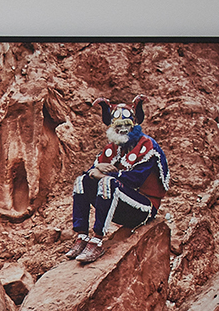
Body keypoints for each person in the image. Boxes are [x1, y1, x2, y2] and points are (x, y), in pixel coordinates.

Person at [66, 96, 170, 264]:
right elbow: (93, 172)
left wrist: (104, 175)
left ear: (133, 125)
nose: (122, 129)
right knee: (82, 181)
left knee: (108, 183)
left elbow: (135, 179)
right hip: (122, 205)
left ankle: (97, 240)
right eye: (118, 126)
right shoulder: (114, 147)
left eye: (126, 125)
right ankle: (82, 236)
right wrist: (96, 169)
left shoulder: (147, 145)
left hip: (144, 207)